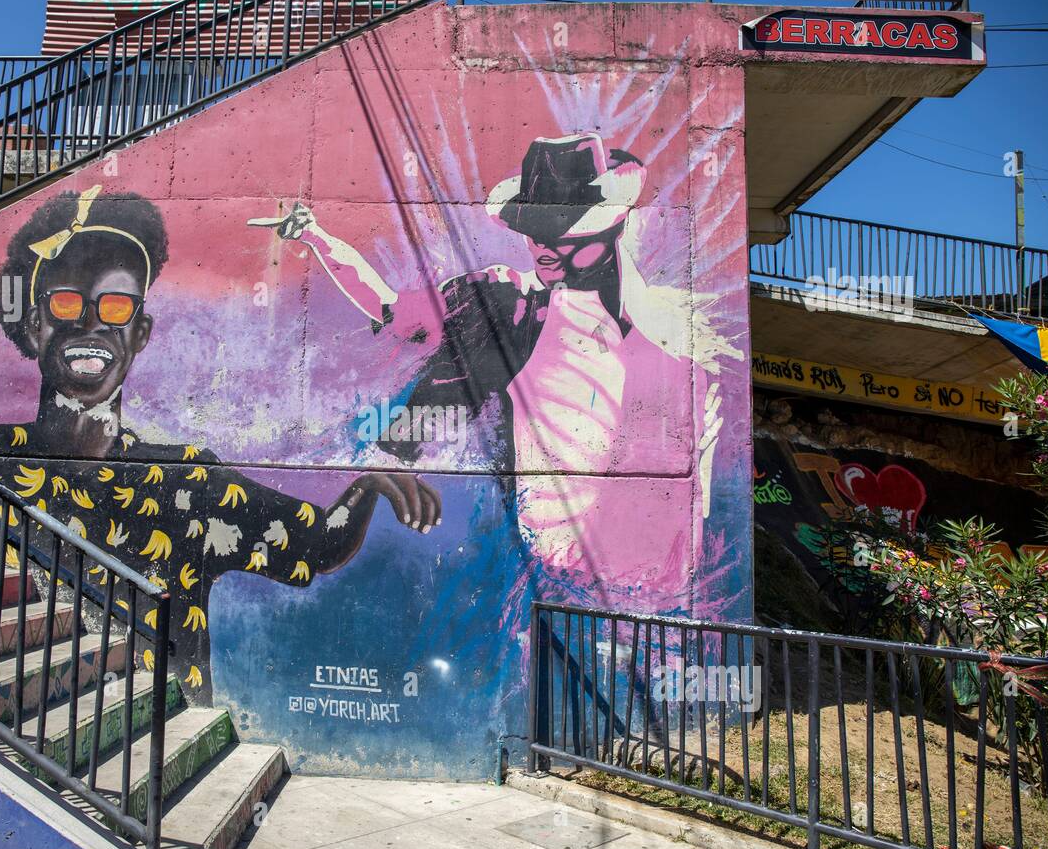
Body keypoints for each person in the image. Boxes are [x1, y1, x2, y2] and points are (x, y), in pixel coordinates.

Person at [0, 185, 441, 703]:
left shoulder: (187, 481)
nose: (90, 323)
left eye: (114, 307)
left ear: (139, 332)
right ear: (37, 324)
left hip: (166, 720)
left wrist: (368, 487)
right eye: (67, 304)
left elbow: (317, 545)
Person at [252, 133, 742, 604]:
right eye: (534, 234)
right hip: (552, 588)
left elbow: (696, 479)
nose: (544, 247)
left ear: (612, 227)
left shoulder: (683, 335)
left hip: (663, 602)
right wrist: (317, 238)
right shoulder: (511, 302)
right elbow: (392, 310)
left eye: (563, 233)